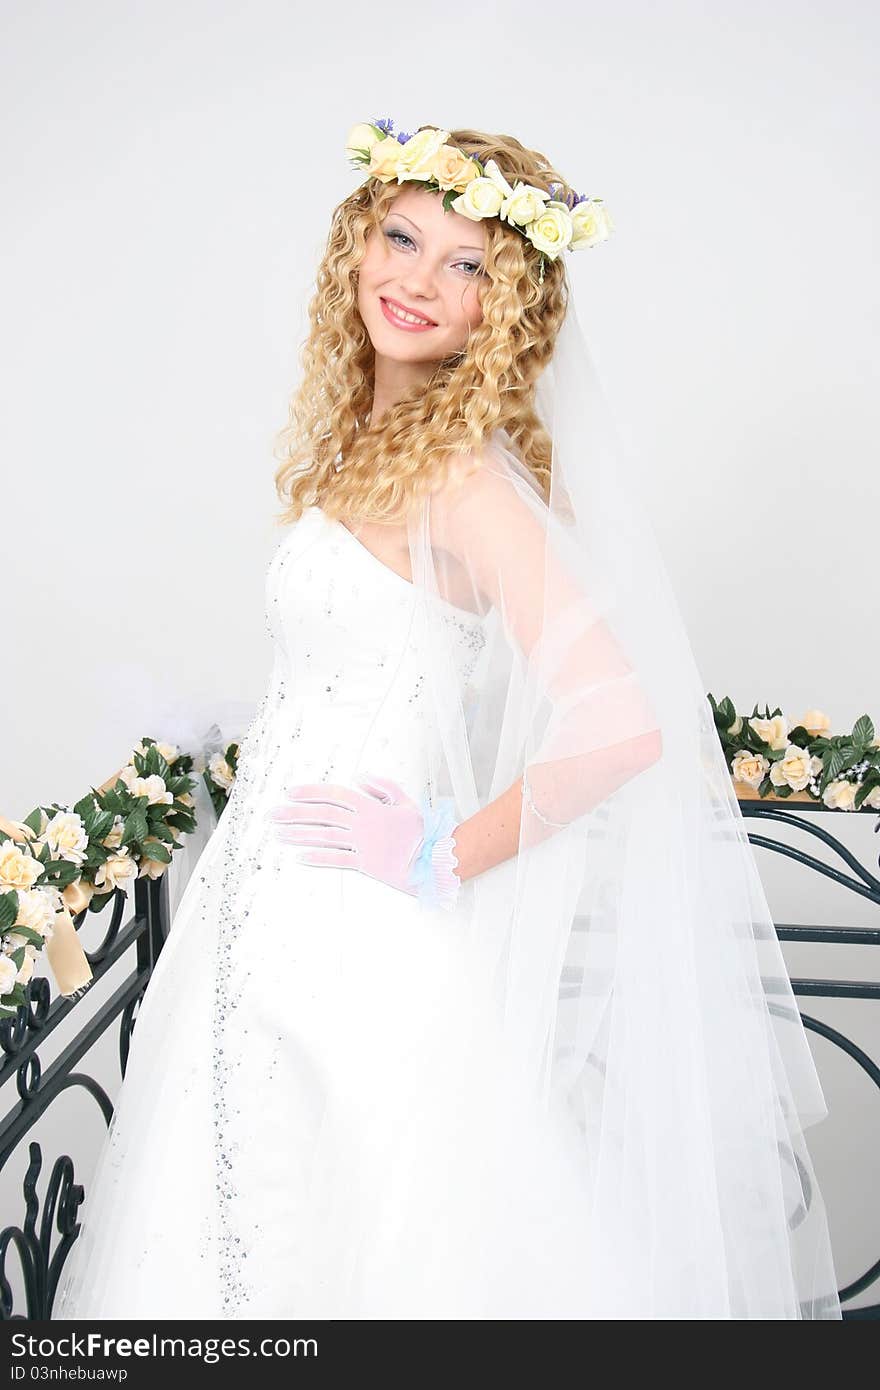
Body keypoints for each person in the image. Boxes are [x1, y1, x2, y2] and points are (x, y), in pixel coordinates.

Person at [52, 119, 842, 1320]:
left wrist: (438, 851)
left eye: (466, 265)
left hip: (352, 923)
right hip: (262, 911)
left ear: (500, 308)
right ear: (356, 245)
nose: (418, 280)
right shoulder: (369, 449)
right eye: (402, 238)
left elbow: (622, 725)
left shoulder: (461, 476)